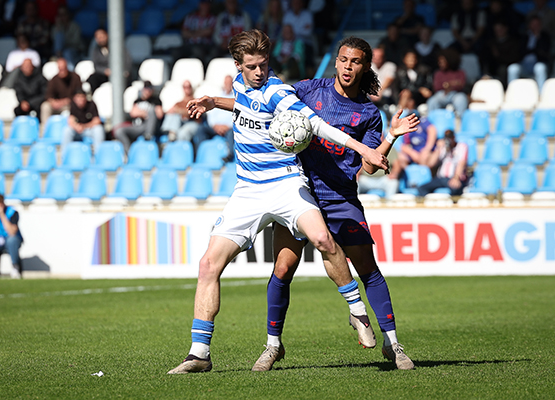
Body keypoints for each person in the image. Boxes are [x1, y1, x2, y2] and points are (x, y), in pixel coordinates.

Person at [167, 29, 391, 375]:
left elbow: (318, 125)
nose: (260, 72)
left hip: (286, 183)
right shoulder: (241, 87)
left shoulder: (279, 91)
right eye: (252, 67)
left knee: (322, 239)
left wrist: (365, 150)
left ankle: (357, 311)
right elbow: (246, 104)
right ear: (238, 66)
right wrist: (213, 102)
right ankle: (199, 354)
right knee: (208, 265)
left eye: (264, 65)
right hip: (248, 190)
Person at [252, 36, 419, 372]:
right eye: (343, 59)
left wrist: (391, 136)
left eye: (355, 61)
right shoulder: (309, 90)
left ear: (365, 66)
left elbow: (369, 166)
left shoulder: (368, 113)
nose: (347, 66)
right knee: (283, 269)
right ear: (336, 61)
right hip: (298, 193)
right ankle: (272, 346)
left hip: (340, 197)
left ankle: (393, 343)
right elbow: (266, 101)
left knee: (367, 268)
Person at [192, 75, 235, 159]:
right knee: (201, 129)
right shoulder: (218, 97)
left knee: (232, 133)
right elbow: (211, 115)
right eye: (226, 83)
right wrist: (215, 126)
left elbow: (236, 115)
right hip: (215, 127)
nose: (228, 85)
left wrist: (227, 126)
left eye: (229, 83)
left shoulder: (235, 98)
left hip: (228, 128)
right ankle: (199, 154)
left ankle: (230, 155)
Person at [114, 81, 164, 154]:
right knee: (119, 131)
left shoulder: (156, 100)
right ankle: (129, 153)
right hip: (137, 126)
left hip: (150, 127)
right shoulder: (137, 101)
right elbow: (133, 113)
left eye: (149, 90)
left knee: (151, 111)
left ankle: (148, 137)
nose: (147, 92)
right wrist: (145, 113)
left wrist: (143, 112)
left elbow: (159, 114)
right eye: (146, 89)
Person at [417, 129, 468, 197]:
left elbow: (462, 163)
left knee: (455, 189)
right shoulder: (443, 148)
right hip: (441, 178)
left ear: (454, 137)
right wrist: (438, 149)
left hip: (454, 178)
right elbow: (431, 164)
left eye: (450, 138)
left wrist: (456, 178)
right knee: (422, 188)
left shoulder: (461, 147)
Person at [507, 15, 551, 92]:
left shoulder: (545, 36)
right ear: (529, 25)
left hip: (538, 62)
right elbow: (521, 51)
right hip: (524, 64)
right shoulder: (524, 36)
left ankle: (541, 94)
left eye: (537, 24)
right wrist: (534, 50)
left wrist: (538, 38)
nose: (535, 26)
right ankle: (512, 93)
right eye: (533, 24)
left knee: (540, 68)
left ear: (541, 25)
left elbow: (544, 51)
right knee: (512, 68)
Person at [389, 111, 437, 180]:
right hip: (413, 152)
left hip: (425, 151)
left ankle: (422, 179)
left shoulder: (424, 122)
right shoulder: (406, 126)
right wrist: (412, 153)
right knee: (401, 157)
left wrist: (427, 149)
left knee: (424, 157)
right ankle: (410, 178)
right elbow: (402, 145)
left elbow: (432, 130)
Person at [160, 80, 205, 147]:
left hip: (194, 123)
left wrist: (178, 111)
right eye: (185, 87)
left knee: (182, 133)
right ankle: (171, 133)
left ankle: (174, 144)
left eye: (188, 86)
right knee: (173, 116)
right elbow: (169, 111)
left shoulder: (195, 101)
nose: (187, 89)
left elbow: (190, 113)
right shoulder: (179, 103)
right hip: (181, 123)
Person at [426, 48, 469, 118]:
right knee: (432, 101)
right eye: (439, 62)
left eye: (443, 62)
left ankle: (460, 119)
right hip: (442, 94)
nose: (440, 64)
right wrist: (452, 84)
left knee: (461, 99)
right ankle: (433, 120)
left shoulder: (460, 72)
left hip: (456, 94)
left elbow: (461, 85)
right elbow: (437, 87)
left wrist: (449, 85)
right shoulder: (438, 73)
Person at [86, 28, 132, 94]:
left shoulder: (118, 47)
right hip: (105, 74)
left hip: (119, 73)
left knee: (125, 79)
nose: (101, 39)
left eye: (102, 37)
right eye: (98, 38)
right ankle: (93, 96)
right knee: (93, 79)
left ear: (107, 36)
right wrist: (105, 71)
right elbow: (96, 65)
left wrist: (123, 71)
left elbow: (128, 60)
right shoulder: (95, 50)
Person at [172, 0, 216, 68]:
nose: (205, 6)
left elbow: (209, 31)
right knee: (176, 52)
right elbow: (184, 33)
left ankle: (203, 71)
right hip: (189, 44)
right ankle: (174, 71)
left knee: (198, 51)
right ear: (199, 5)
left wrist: (192, 32)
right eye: (203, 4)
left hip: (205, 45)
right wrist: (200, 32)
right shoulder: (190, 17)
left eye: (206, 4)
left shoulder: (212, 18)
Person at [40, 57, 82, 126]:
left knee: (69, 110)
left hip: (69, 104)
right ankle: (45, 129)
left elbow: (79, 94)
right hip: (56, 105)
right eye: (60, 69)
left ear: (67, 67)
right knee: (45, 106)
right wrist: (53, 102)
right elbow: (48, 95)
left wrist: (65, 101)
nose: (62, 71)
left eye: (63, 68)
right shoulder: (54, 79)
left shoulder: (75, 77)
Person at [61, 89, 104, 154]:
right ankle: (65, 155)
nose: (80, 99)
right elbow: (71, 120)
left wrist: (84, 126)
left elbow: (97, 120)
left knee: (98, 129)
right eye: (78, 97)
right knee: (67, 130)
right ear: (74, 98)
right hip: (77, 131)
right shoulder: (73, 105)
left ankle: (99, 154)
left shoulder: (91, 104)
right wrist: (76, 126)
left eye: (82, 97)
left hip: (89, 129)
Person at [282, 0, 314, 76]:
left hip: (305, 43)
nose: (296, 4)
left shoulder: (307, 14)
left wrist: (292, 31)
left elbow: (308, 32)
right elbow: (285, 31)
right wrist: (302, 28)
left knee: (302, 54)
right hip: (289, 42)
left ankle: (308, 71)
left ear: (302, 3)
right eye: (294, 3)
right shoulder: (288, 15)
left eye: (298, 2)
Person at [52, 5, 84, 69]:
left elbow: (76, 42)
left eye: (64, 14)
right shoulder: (56, 28)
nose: (62, 17)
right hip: (60, 51)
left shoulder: (75, 26)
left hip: (75, 50)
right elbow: (54, 40)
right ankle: (59, 56)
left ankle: (70, 70)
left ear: (68, 15)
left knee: (67, 52)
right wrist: (59, 28)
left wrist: (63, 42)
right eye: (60, 15)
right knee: (59, 35)